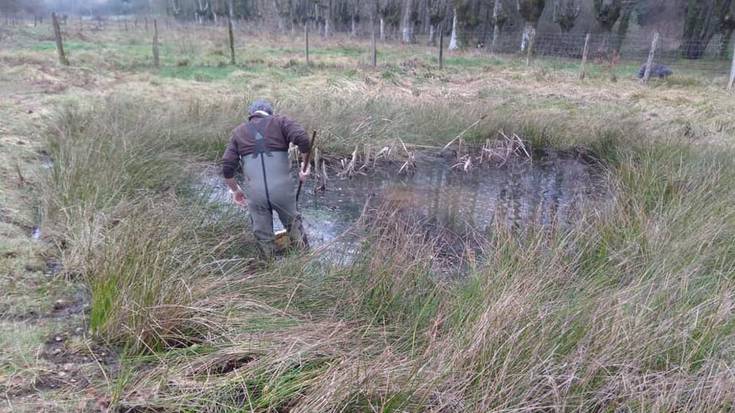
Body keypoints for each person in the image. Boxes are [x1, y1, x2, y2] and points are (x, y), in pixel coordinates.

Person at [222, 99, 311, 258]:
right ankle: (306, 264)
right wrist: (305, 167)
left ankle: (268, 272)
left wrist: (236, 190)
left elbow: (227, 167)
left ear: (251, 115)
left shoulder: (239, 132)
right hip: (282, 192)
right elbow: (303, 140)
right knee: (295, 230)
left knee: (263, 238)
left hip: (256, 195)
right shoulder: (281, 121)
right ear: (270, 112)